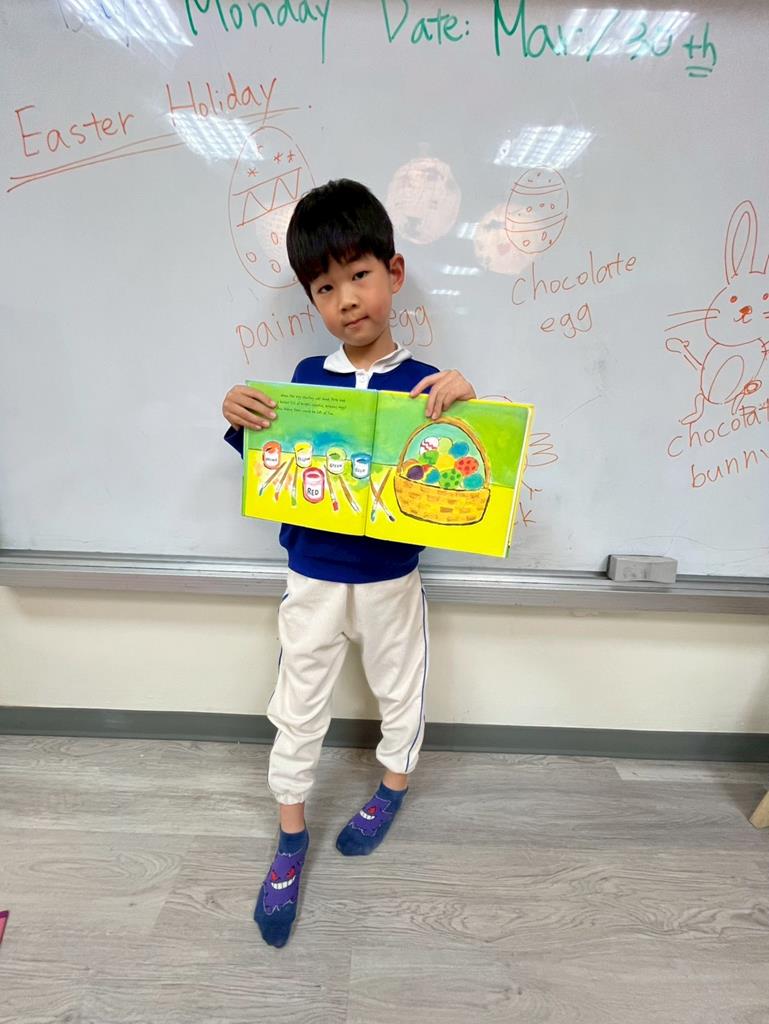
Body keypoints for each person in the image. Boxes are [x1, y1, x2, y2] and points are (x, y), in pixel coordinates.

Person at [221, 179, 475, 948]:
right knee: (296, 703)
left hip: (391, 579)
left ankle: (392, 785)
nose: (346, 299)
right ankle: (290, 834)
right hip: (312, 575)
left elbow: (469, 467)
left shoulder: (429, 387)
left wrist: (468, 403)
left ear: (393, 273)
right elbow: (268, 458)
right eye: (324, 288)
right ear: (312, 300)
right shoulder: (304, 380)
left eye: (358, 275)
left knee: (400, 689)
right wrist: (238, 416)